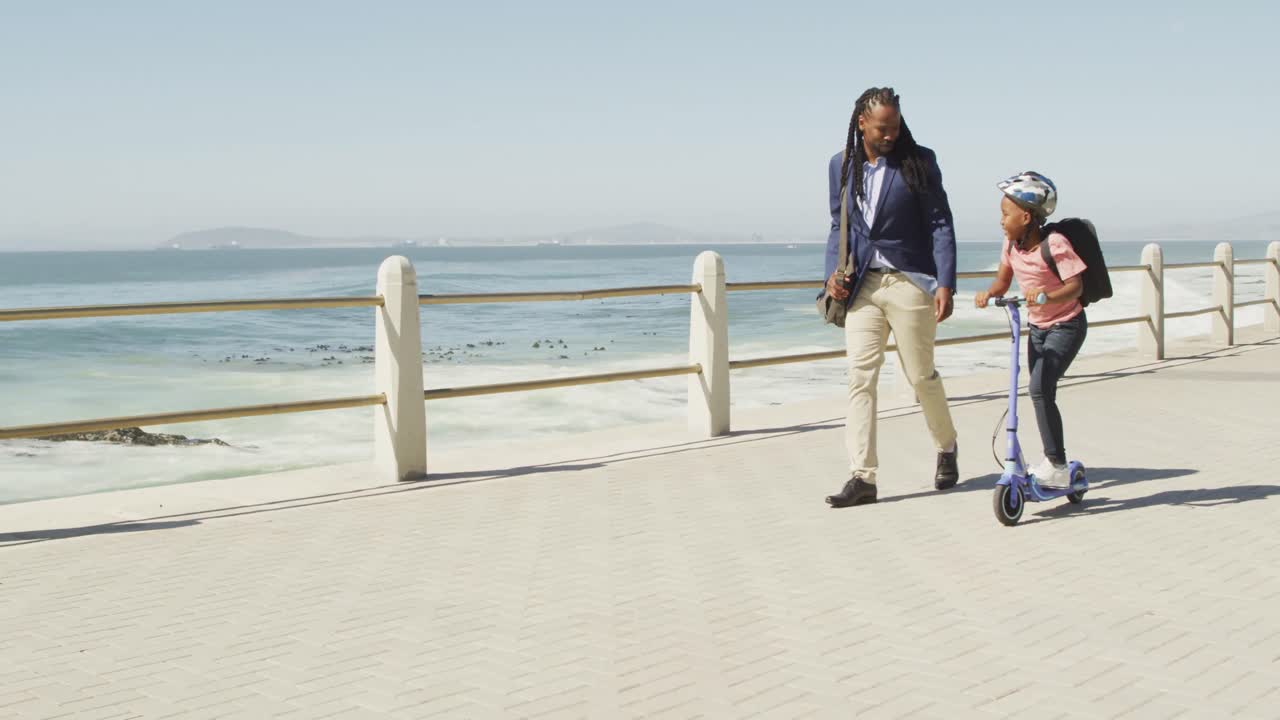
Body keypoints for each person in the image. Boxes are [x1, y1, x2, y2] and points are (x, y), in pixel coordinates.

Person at [822, 87, 960, 508]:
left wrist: (945, 282)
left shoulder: (919, 162)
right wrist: (832, 275)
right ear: (862, 123)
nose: (890, 135)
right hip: (863, 284)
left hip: (909, 281)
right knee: (859, 378)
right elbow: (836, 224)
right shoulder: (841, 165)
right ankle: (862, 476)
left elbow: (939, 222)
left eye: (896, 127)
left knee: (920, 376)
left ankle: (947, 445)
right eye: (883, 128)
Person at [974, 171, 1088, 488]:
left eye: (1005, 214)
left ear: (1026, 216)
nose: (1001, 221)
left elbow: (1075, 286)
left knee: (1039, 389)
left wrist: (1045, 296)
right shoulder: (1010, 245)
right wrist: (991, 293)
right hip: (1037, 327)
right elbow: (1003, 280)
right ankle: (1054, 464)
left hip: (1067, 324)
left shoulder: (1055, 244)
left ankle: (1057, 464)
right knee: (1039, 390)